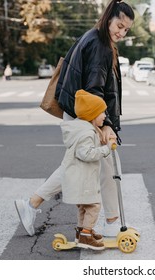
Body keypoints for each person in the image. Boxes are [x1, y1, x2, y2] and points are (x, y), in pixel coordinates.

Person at [14, 0, 135, 237]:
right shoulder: (100, 45)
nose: (121, 32)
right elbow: (95, 88)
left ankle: (31, 204)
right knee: (104, 164)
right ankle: (111, 222)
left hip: (81, 112)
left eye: (126, 29)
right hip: (88, 115)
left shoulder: (94, 38)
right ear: (109, 17)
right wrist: (106, 124)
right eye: (119, 25)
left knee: (79, 164)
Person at [61, 89, 116, 250]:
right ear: (92, 115)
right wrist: (107, 148)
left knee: (84, 207)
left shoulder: (82, 129)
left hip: (79, 177)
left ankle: (82, 232)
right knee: (93, 206)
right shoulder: (86, 133)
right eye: (102, 113)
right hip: (83, 179)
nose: (105, 116)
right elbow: (86, 154)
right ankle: (86, 235)